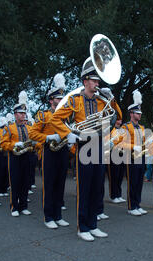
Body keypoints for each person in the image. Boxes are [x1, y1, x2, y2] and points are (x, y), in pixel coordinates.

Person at [50, 58, 122, 241]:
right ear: (85, 81)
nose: (97, 84)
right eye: (94, 80)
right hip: (83, 148)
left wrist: (111, 99)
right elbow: (55, 119)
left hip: (99, 146)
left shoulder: (101, 100)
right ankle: (83, 227)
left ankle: (93, 225)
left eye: (98, 81)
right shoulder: (74, 100)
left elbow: (118, 116)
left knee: (97, 187)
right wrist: (68, 134)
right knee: (85, 189)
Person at [29, 73, 70, 229]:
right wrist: (48, 137)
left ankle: (58, 215)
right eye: (58, 99)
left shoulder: (65, 117)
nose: (61, 101)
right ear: (51, 100)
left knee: (60, 184)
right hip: (49, 151)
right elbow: (33, 134)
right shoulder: (43, 115)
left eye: (62, 99)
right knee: (50, 184)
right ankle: (49, 217)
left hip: (63, 151)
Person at [1, 91, 33, 217]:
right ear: (15, 114)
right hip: (14, 157)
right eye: (20, 113)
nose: (23, 115)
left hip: (27, 156)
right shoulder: (8, 128)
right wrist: (14, 145)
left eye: (24, 113)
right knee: (15, 182)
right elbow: (3, 144)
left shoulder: (29, 128)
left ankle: (24, 206)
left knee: (26, 181)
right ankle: (14, 206)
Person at [120, 90, 147, 216]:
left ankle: (137, 204)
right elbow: (119, 143)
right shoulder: (125, 127)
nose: (139, 115)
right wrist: (133, 147)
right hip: (130, 158)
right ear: (131, 114)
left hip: (141, 158)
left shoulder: (141, 128)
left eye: (140, 113)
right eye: (137, 113)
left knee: (139, 183)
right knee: (133, 182)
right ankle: (131, 206)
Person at [106, 119, 126, 204]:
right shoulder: (110, 129)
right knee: (114, 176)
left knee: (120, 176)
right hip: (112, 154)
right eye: (118, 120)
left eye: (121, 120)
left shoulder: (122, 130)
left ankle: (118, 194)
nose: (120, 122)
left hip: (121, 154)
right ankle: (113, 195)